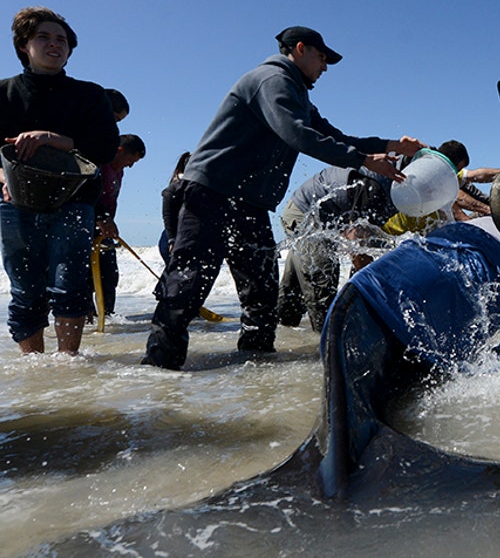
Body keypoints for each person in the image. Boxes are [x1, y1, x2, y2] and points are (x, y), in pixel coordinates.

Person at [142, 26, 421, 370]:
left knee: (261, 290)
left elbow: (334, 136)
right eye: (322, 57)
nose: (325, 66)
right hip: (212, 191)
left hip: (250, 202)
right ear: (300, 49)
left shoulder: (299, 96)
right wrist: (363, 161)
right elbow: (298, 135)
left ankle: (255, 363)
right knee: (189, 281)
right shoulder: (271, 80)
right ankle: (159, 369)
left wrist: (391, 146)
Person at [0, 6, 119, 355]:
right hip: (15, 203)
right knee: (25, 291)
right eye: (43, 37)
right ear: (23, 45)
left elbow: (105, 149)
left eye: (62, 39)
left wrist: (50, 137)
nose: (55, 44)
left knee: (70, 287)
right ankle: (34, 373)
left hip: (75, 201)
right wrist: (4, 177)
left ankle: (67, 367)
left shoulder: (90, 95)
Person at [279, 140, 480, 331]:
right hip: (306, 216)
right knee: (322, 293)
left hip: (325, 219)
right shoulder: (378, 184)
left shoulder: (409, 175)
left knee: (291, 302)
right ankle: (321, 359)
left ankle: (281, 347)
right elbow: (355, 245)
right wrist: (382, 298)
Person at [94, 133, 147, 317]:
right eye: (130, 160)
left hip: (106, 228)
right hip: (89, 225)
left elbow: (111, 200)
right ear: (119, 150)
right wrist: (102, 219)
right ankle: (87, 319)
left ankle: (107, 318)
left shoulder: (119, 171)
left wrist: (111, 221)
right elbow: (90, 195)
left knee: (110, 276)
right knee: (85, 278)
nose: (130, 166)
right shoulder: (99, 165)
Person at [158, 151, 191, 265]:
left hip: (186, 237)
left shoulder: (198, 188)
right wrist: (172, 240)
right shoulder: (174, 189)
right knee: (176, 277)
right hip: (171, 239)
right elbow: (168, 216)